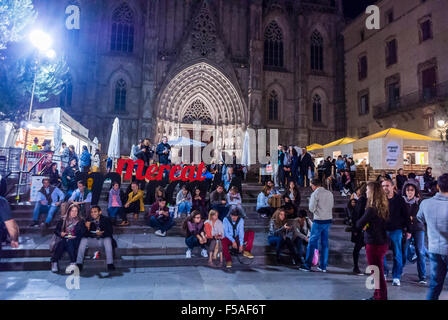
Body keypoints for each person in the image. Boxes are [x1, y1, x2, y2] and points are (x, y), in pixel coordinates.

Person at [356, 182, 390, 300]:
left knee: (376, 272)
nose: (366, 192)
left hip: (374, 242)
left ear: (372, 192)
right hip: (382, 241)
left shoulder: (371, 209)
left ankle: (381, 296)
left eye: (367, 190)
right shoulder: (383, 207)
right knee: (377, 271)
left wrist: (366, 225)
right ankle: (377, 295)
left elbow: (359, 223)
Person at [417, 174, 448, 300]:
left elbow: (419, 218)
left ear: (437, 186)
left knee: (435, 285)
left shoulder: (426, 203)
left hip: (434, 248)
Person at [299, 178, 334, 272]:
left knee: (312, 243)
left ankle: (307, 265)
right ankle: (323, 266)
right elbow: (331, 205)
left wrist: (317, 211)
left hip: (319, 220)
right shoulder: (329, 193)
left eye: (311, 185)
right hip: (328, 220)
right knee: (325, 243)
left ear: (314, 185)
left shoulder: (315, 194)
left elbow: (311, 208)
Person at [381, 178, 409, 286]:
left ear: (393, 186)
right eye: (383, 186)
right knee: (381, 253)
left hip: (396, 230)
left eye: (387, 185)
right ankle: (384, 272)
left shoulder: (399, 199)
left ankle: (396, 276)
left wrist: (408, 230)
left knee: (397, 254)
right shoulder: (380, 200)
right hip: (382, 230)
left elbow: (406, 215)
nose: (385, 188)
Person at [76, 206, 115, 272]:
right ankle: (79, 263)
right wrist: (87, 228)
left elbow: (110, 232)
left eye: (95, 212)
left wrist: (102, 233)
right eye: (92, 212)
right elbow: (84, 234)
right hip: (93, 241)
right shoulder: (88, 221)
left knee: (108, 239)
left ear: (100, 212)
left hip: (102, 241)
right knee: (83, 240)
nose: (93, 213)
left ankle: (110, 264)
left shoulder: (106, 219)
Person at [402, 180, 426, 284]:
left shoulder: (420, 202)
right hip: (406, 229)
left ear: (415, 191)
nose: (410, 192)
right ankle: (398, 272)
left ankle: (422, 277)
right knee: (403, 251)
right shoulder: (402, 201)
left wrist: (413, 218)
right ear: (405, 191)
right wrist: (408, 219)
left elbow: (423, 216)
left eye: (412, 190)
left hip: (418, 229)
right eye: (408, 190)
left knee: (420, 251)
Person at [50, 204, 86, 273]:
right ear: (69, 211)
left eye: (76, 211)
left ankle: (70, 263)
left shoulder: (80, 221)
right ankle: (55, 263)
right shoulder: (63, 219)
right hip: (64, 239)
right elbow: (56, 230)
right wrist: (61, 233)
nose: (74, 213)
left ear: (78, 212)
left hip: (75, 240)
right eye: (72, 211)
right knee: (63, 242)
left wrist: (76, 235)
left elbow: (83, 232)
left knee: (69, 241)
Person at [351, 183, 367, 275]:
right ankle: (356, 267)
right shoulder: (362, 200)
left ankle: (356, 267)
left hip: (361, 228)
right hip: (360, 228)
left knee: (358, 248)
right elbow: (357, 215)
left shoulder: (362, 200)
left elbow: (358, 215)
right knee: (357, 248)